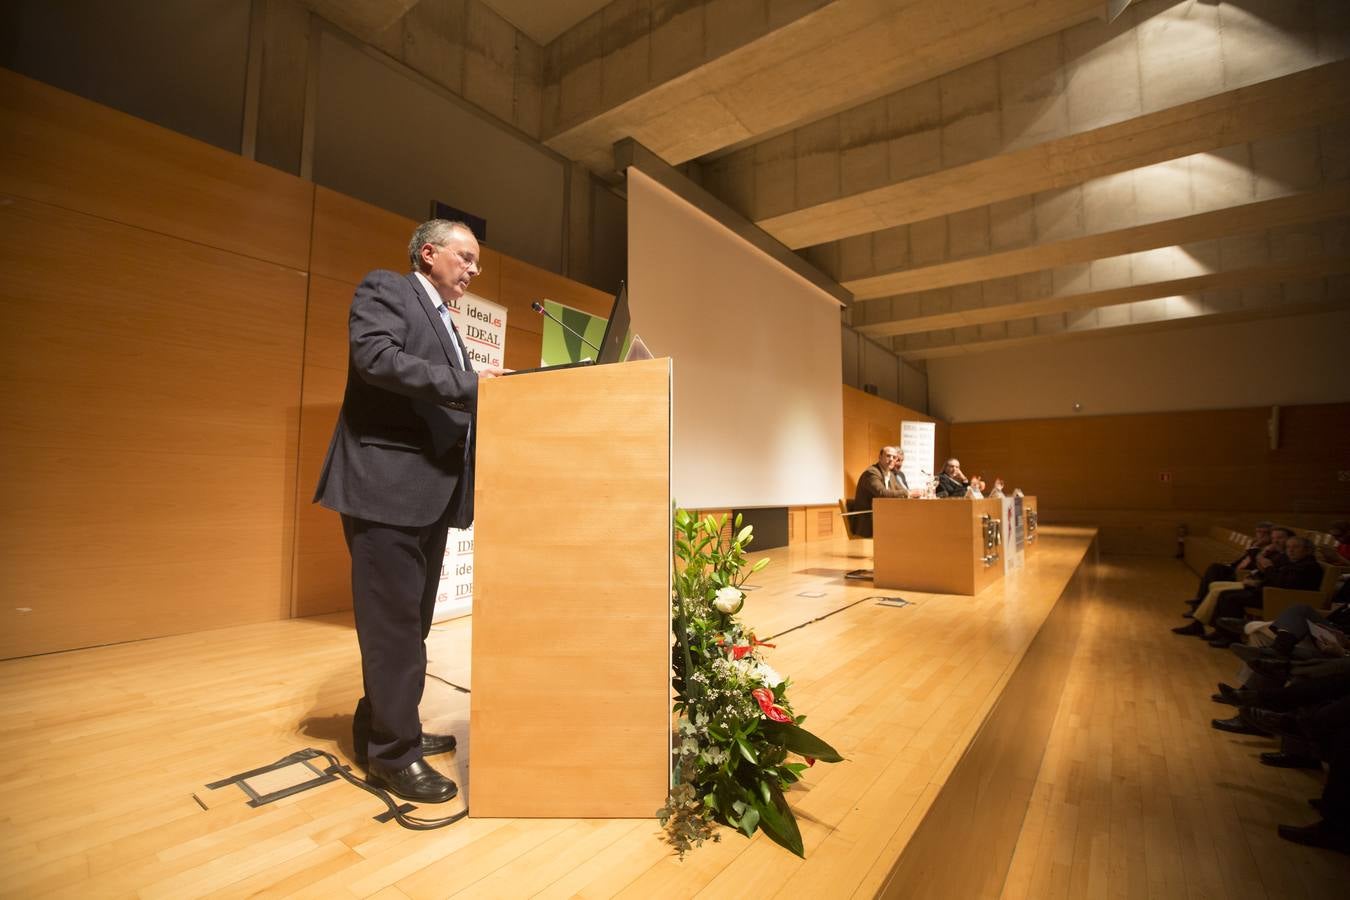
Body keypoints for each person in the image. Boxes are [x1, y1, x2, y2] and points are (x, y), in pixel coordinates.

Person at [313, 219, 505, 803]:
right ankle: (393, 758)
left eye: (477, 264)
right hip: (385, 488)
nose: (473, 271)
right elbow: (376, 359)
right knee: (394, 627)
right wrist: (474, 385)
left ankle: (383, 727)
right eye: (465, 258)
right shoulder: (386, 289)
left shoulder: (446, 321)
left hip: (429, 493)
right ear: (429, 253)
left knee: (410, 625)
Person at [852, 446, 919, 537]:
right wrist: (908, 493)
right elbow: (882, 494)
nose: (891, 459)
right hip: (868, 520)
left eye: (894, 457)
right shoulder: (872, 473)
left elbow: (901, 490)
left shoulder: (890, 474)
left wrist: (913, 493)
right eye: (888, 456)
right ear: (880, 457)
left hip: (882, 517)